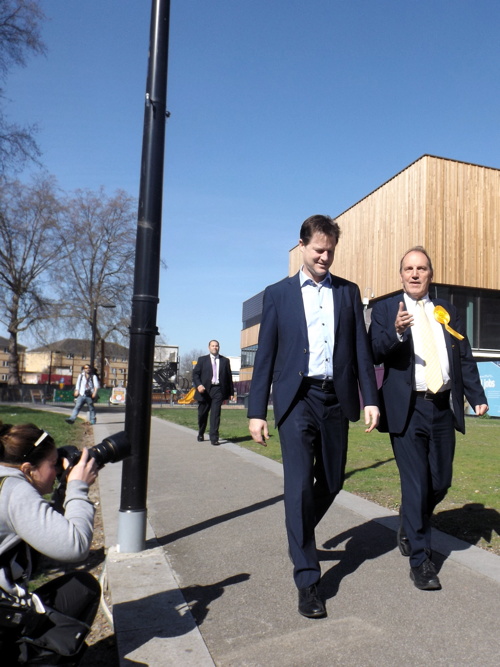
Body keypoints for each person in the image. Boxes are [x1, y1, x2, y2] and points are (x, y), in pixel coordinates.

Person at [247, 215, 380, 619]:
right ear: (302, 246)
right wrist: (256, 411)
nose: (324, 257)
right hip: (296, 399)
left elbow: (360, 350)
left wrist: (370, 398)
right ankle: (308, 579)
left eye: (330, 252)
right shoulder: (278, 294)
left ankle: (297, 528)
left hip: (336, 399)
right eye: (319, 250)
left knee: (333, 480)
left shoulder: (347, 293)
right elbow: (266, 355)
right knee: (301, 483)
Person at [369, 246, 488, 591]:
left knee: (441, 481)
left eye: (421, 268)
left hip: (441, 406)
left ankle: (409, 520)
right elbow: (374, 350)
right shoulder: (385, 310)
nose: (415, 274)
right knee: (416, 484)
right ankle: (421, 560)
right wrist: (396, 332)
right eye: (409, 268)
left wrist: (476, 396)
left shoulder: (445, 309)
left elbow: (462, 354)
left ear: (430, 274)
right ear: (401, 274)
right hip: (407, 409)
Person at [0, 421, 100, 664]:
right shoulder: (14, 491)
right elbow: (74, 546)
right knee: (83, 587)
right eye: (52, 464)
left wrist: (64, 488)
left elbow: (44, 533)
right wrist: (78, 487)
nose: (57, 470)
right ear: (27, 469)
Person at [193, 340, 235, 445]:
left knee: (215, 414)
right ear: (209, 347)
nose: (215, 348)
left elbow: (229, 377)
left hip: (218, 390)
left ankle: (214, 438)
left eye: (216, 346)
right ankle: (201, 432)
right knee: (202, 414)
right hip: (205, 391)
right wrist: (199, 385)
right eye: (213, 346)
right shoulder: (202, 360)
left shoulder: (225, 361)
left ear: (219, 347)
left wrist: (231, 392)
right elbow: (195, 375)